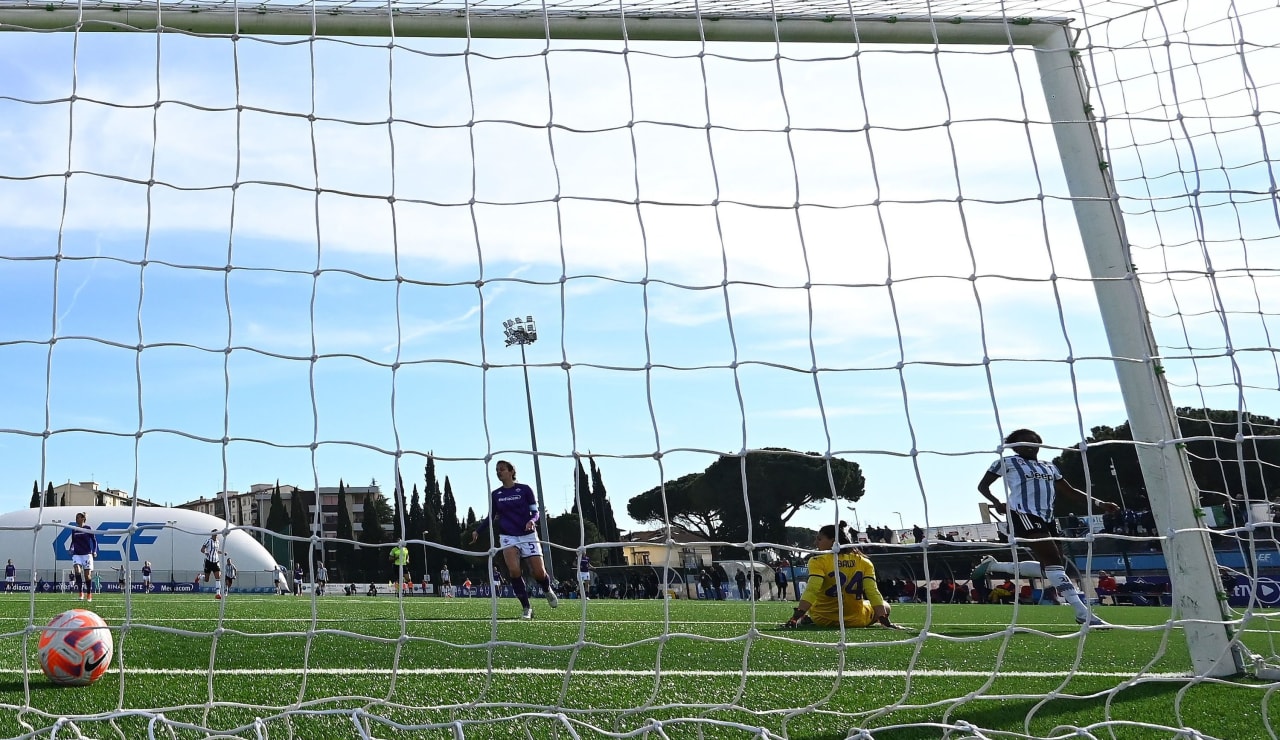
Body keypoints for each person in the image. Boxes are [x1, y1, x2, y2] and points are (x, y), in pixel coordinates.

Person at [975, 428, 1119, 628]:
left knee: (1051, 567)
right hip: (1023, 514)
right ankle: (1083, 613)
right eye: (1025, 441)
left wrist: (1099, 503)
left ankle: (993, 566)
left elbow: (1069, 491)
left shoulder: (1049, 466)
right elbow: (983, 486)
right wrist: (997, 502)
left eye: (1034, 441)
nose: (1031, 444)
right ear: (1014, 446)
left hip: (1048, 518)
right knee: (1054, 562)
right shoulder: (1007, 462)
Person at [470, 459, 560, 619]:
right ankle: (526, 607)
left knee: (538, 572)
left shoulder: (525, 490)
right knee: (514, 571)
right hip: (508, 536)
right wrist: (478, 530)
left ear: (511, 471)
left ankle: (547, 589)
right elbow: (491, 516)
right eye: (497, 470)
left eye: (502, 469)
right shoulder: (496, 494)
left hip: (528, 535)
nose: (499, 472)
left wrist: (532, 521)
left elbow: (535, 511)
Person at [781, 522, 898, 630]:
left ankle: (806, 618)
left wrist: (795, 617)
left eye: (819, 539)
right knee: (886, 606)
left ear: (833, 541)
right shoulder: (864, 562)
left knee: (816, 599)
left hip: (822, 619)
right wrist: (884, 620)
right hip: (856, 620)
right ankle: (880, 618)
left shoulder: (817, 560)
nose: (815, 542)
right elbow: (872, 592)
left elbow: (812, 590)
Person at [68, 512, 99, 603]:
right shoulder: (74, 529)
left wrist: (95, 551)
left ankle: (89, 593)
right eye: (76, 517)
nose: (76, 519)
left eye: (78, 517)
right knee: (77, 571)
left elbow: (94, 540)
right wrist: (71, 549)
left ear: (82, 518)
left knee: (87, 576)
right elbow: (73, 542)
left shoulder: (88, 528)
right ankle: (80, 592)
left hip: (87, 554)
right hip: (77, 554)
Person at [200, 530, 224, 600]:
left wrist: (222, 552)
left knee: (218, 577)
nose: (216, 535)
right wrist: (205, 552)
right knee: (207, 579)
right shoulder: (208, 541)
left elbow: (216, 551)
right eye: (215, 534)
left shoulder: (218, 542)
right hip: (209, 562)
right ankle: (200, 576)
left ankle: (218, 594)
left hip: (216, 562)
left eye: (217, 534)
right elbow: (202, 549)